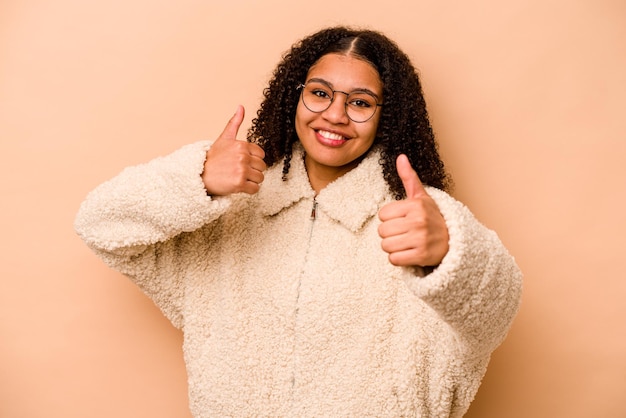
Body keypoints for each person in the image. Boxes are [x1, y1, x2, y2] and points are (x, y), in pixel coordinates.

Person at [75, 26, 522, 417]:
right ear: (296, 93)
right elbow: (101, 223)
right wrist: (197, 179)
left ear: (387, 118)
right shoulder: (229, 210)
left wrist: (449, 253)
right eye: (320, 93)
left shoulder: (419, 220)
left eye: (361, 102)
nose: (334, 114)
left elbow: (496, 310)